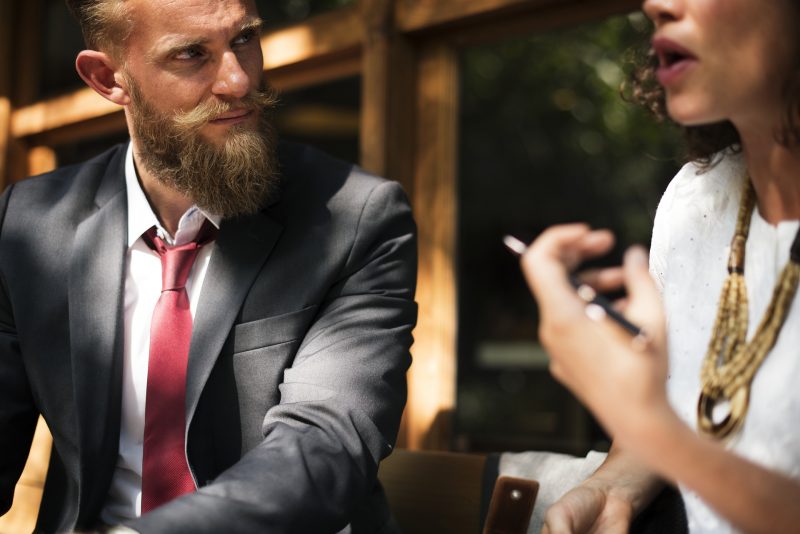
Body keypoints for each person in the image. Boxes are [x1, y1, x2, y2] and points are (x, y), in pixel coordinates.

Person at [0, 0, 417, 532]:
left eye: (244, 39)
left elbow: (323, 447)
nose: (239, 81)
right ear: (110, 78)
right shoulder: (29, 224)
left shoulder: (356, 217)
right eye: (192, 54)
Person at [517, 0, 800, 533]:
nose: (657, 4)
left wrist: (645, 422)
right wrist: (610, 488)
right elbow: (687, 416)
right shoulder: (699, 198)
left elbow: (665, 431)